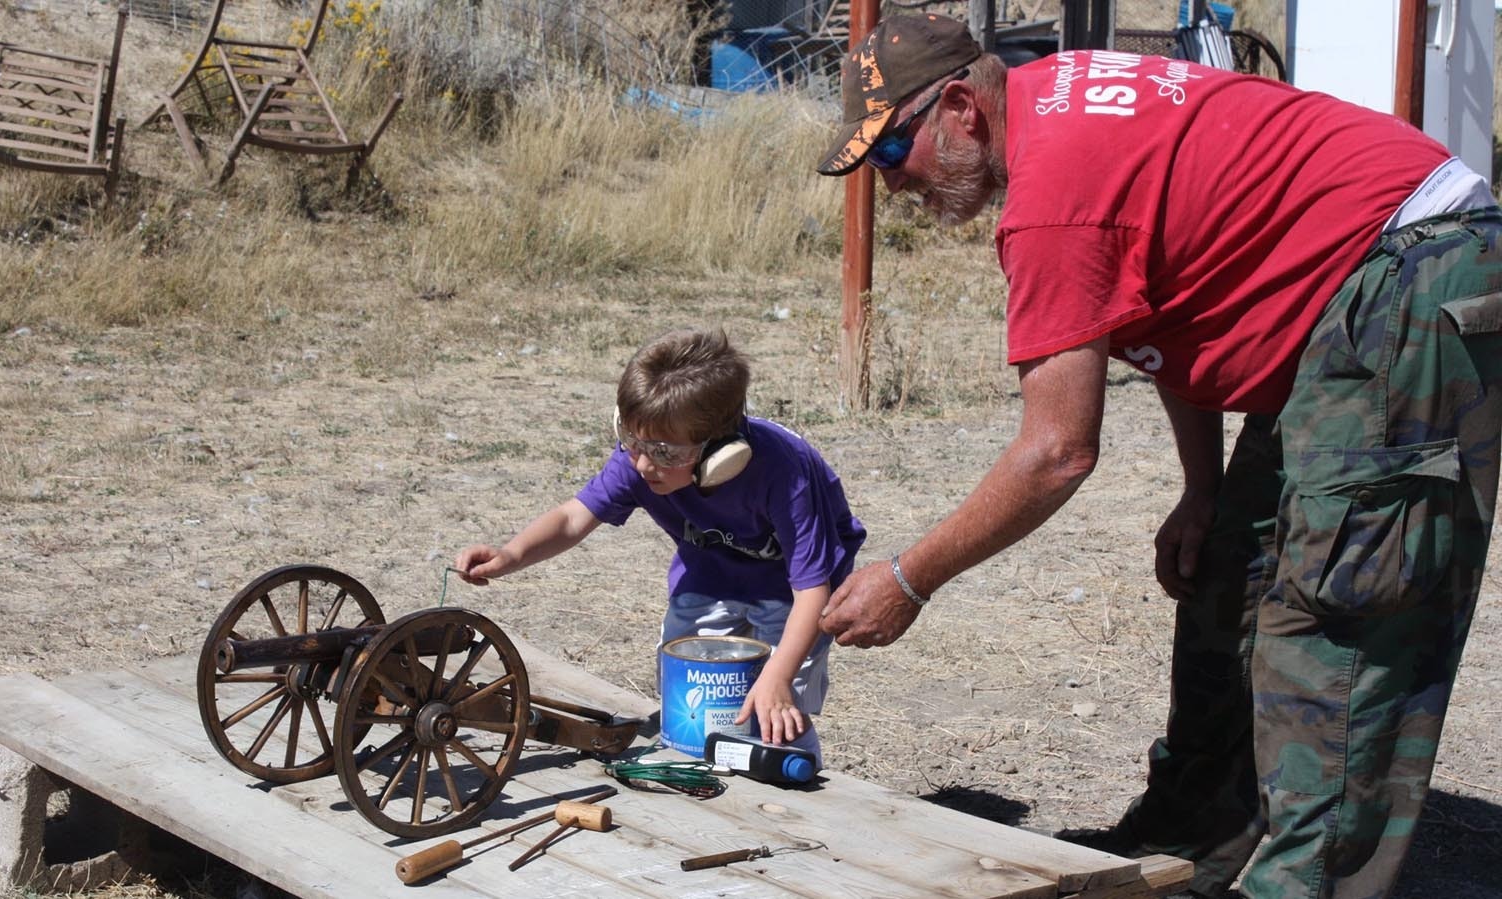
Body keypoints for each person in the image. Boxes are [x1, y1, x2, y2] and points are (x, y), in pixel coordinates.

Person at [813, 13, 1502, 899]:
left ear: (958, 107)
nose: (891, 184)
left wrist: (909, 578)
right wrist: (1201, 489)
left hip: (1410, 268)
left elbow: (1056, 451)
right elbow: (1171, 297)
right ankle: (1186, 849)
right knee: (1234, 570)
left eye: (890, 152)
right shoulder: (1050, 107)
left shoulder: (1049, 202)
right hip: (1349, 287)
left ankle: (1304, 882)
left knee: (1342, 612)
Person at [455, 328, 866, 759]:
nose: (644, 463)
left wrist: (779, 676)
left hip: (791, 595)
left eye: (666, 452)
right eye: (631, 441)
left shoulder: (784, 473)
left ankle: (788, 767)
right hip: (709, 579)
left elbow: (811, 591)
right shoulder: (640, 460)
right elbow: (574, 517)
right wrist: (511, 554)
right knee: (689, 699)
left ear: (720, 452)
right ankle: (709, 774)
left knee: (773, 711)